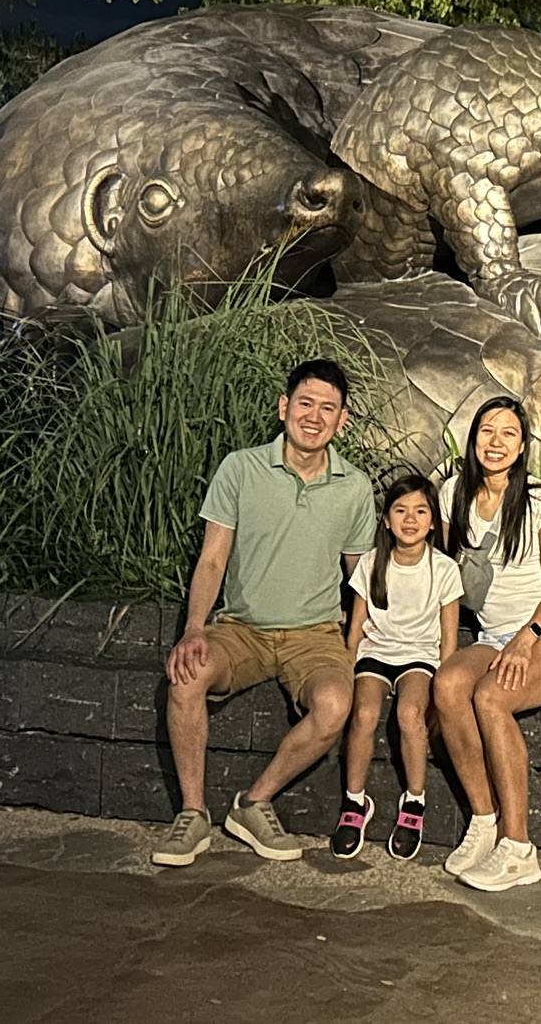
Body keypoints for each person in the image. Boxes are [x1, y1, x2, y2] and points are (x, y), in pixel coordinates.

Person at [151, 359, 376, 867]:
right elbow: (212, 559)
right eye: (305, 403)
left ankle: (253, 803)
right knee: (186, 676)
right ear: (283, 407)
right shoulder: (240, 468)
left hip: (315, 635)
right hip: (241, 629)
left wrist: (354, 645)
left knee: (335, 705)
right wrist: (193, 629)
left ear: (342, 420)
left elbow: (360, 577)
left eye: (328, 408)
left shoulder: (355, 487)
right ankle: (192, 814)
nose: (314, 417)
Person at [432, 396, 541, 891]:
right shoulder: (452, 493)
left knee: (490, 697)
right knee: (448, 685)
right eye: (487, 431)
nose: (495, 442)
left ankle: (519, 847)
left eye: (508, 434)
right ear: (473, 438)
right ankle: (484, 820)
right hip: (494, 634)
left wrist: (527, 640)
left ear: (522, 447)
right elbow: (446, 578)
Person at [331, 473, 464, 861]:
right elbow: (356, 628)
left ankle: (414, 800)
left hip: (419, 657)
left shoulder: (444, 569)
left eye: (421, 511)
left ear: (433, 521)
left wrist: (442, 688)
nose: (410, 519)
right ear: (387, 520)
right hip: (376, 652)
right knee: (364, 713)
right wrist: (346, 667)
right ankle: (354, 800)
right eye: (400, 510)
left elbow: (448, 638)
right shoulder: (372, 562)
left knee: (409, 713)